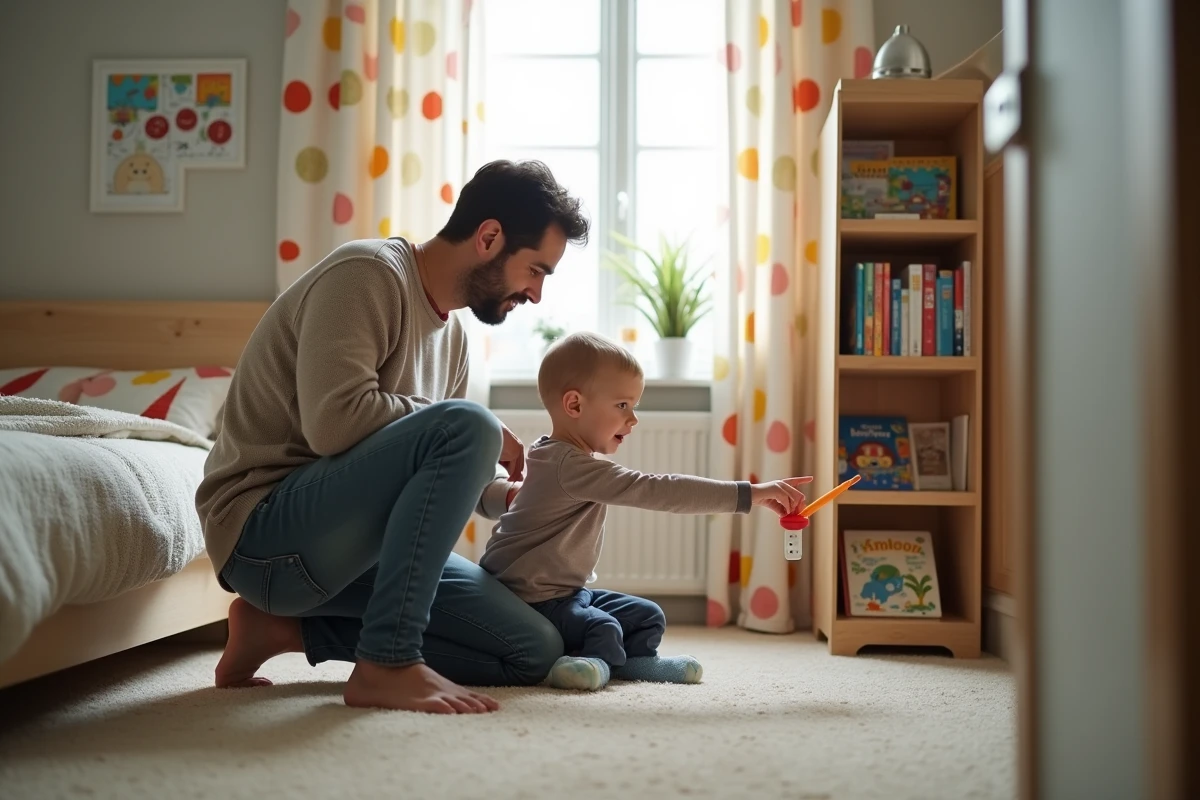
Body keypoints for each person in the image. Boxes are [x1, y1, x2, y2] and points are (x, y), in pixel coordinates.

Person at [194, 160, 590, 714]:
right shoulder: (366, 274)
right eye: (536, 270)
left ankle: (280, 632)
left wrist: (507, 497)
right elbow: (335, 423)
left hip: (358, 549)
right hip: (265, 538)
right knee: (471, 424)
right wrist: (469, 425)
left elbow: (438, 472)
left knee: (533, 649)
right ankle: (388, 659)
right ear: (489, 237)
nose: (537, 293)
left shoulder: (454, 340)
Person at [478, 332, 811, 691]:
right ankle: (592, 666)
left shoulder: (557, 457)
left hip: (567, 593)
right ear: (574, 405)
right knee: (603, 627)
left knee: (647, 615)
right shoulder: (569, 466)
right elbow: (660, 490)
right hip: (530, 600)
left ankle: (637, 663)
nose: (633, 419)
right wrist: (751, 494)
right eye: (622, 405)